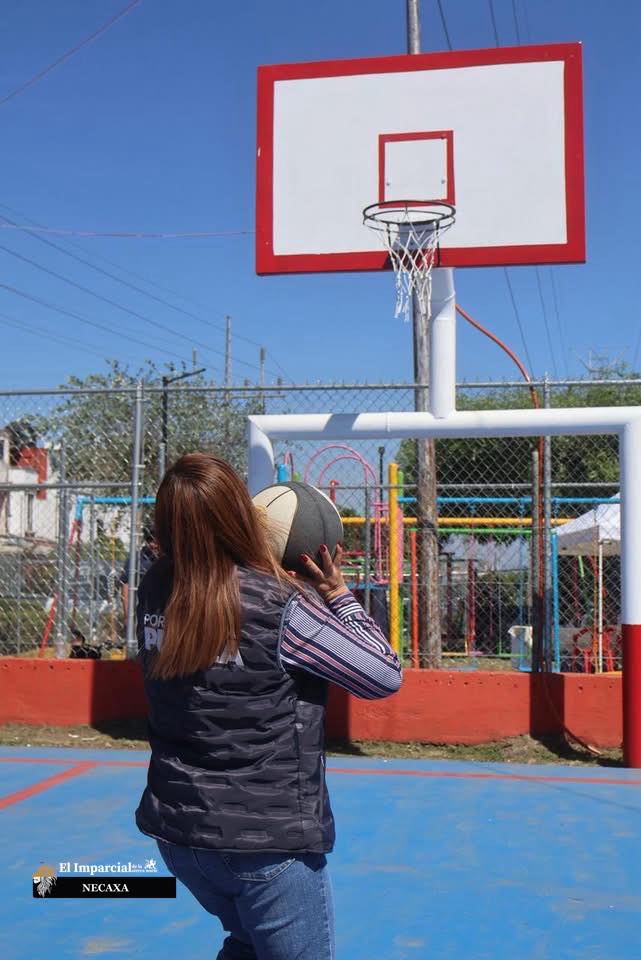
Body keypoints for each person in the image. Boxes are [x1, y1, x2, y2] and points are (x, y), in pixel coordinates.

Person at [135, 453, 402, 960]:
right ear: (241, 515)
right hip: (264, 840)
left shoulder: (154, 591)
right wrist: (338, 594)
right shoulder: (278, 604)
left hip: (179, 835)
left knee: (245, 945)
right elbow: (382, 674)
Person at [120, 526, 159, 621]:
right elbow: (125, 585)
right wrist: (127, 616)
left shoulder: (168, 560)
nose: (154, 545)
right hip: (142, 612)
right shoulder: (136, 559)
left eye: (158, 542)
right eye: (151, 541)